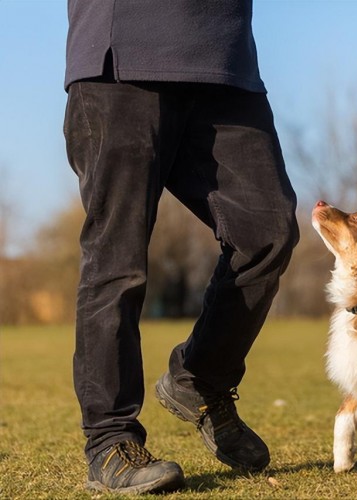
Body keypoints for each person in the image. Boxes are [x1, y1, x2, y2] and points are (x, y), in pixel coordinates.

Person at [63, 1, 299, 494]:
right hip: (121, 59)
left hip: (225, 65)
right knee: (118, 259)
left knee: (268, 234)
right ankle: (110, 440)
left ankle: (199, 381)